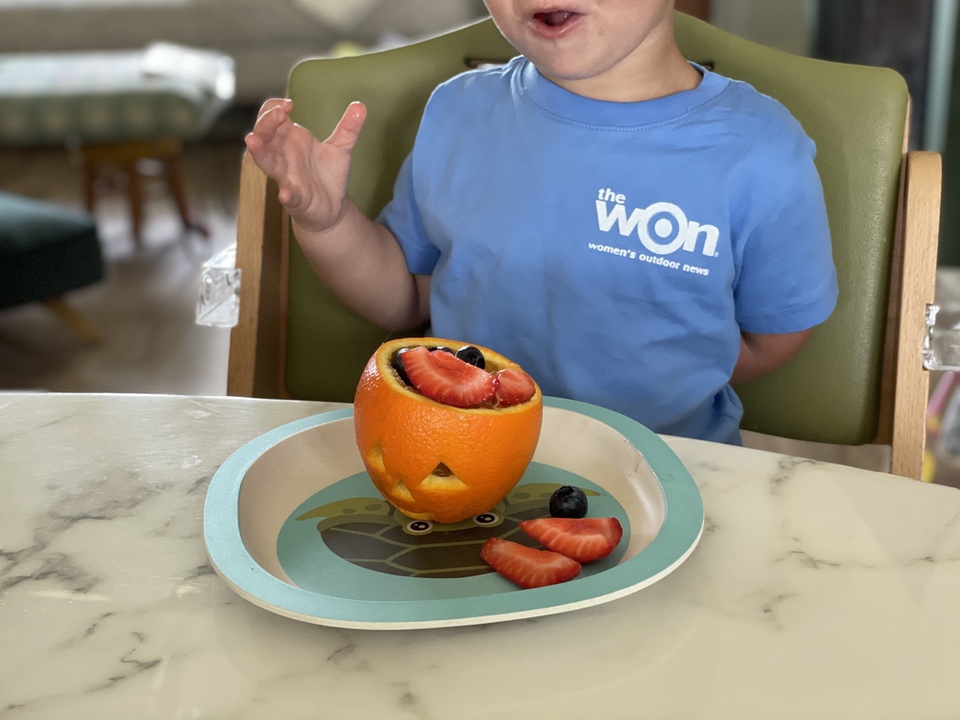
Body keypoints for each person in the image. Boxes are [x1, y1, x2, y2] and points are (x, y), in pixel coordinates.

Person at [244, 0, 838, 445]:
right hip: (464, 457)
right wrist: (326, 222)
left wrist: (671, 363)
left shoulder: (759, 151)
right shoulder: (458, 111)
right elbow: (404, 298)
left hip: (672, 469)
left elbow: (773, 335)